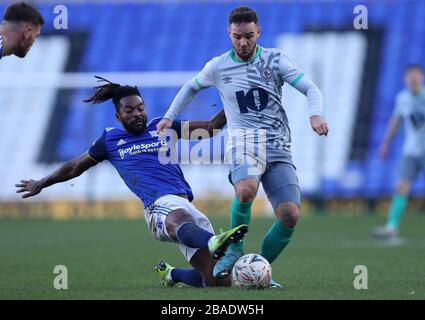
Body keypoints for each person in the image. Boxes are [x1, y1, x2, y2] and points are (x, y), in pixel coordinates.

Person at [15, 76, 248, 288]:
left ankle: (172, 274)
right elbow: (74, 167)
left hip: (186, 202)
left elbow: (210, 128)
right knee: (180, 219)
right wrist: (41, 183)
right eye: (129, 111)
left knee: (216, 281)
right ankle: (213, 241)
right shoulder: (110, 140)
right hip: (158, 206)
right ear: (118, 115)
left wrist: (233, 102)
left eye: (140, 108)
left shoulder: (162, 127)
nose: (137, 114)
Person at [156, 6, 328, 287]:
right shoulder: (218, 65)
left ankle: (255, 270)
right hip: (243, 144)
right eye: (237, 36)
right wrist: (169, 117)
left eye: (249, 35)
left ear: (259, 32)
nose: (243, 42)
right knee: (246, 189)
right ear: (229, 34)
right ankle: (234, 250)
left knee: (290, 215)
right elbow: (190, 87)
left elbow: (311, 88)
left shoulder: (275, 60)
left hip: (278, 146)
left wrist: (315, 113)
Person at [374, 64, 425, 241]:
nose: (413, 79)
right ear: (405, 80)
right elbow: (396, 120)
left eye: (416, 76)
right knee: (401, 187)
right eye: (410, 76)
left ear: (422, 78)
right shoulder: (403, 98)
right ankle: (391, 227)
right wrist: (386, 143)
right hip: (411, 151)